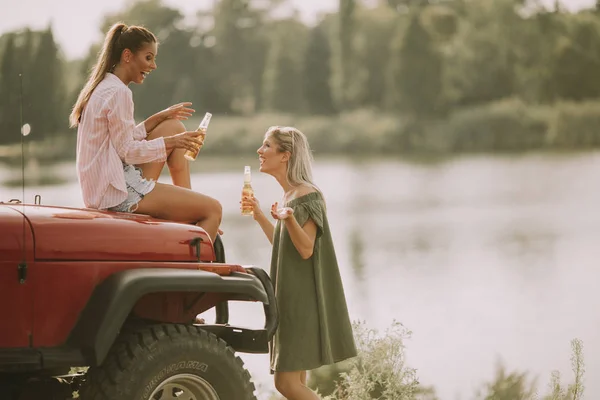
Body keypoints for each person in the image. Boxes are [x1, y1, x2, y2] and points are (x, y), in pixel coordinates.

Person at [69, 22, 222, 241]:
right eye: (148, 58)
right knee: (213, 209)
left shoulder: (104, 86)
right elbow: (128, 152)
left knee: (172, 125)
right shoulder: (119, 93)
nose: (153, 66)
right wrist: (173, 142)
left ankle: (189, 209)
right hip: (116, 192)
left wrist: (159, 118)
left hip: (102, 190)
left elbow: (121, 141)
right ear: (128, 56)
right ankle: (189, 267)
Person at [242, 126, 357, 400]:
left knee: (286, 384)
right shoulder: (289, 197)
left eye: (266, 146)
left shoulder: (307, 195)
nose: (260, 151)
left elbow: (306, 250)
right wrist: (260, 215)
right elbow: (286, 248)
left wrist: (289, 218)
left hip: (302, 301)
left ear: (285, 155)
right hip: (289, 296)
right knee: (296, 383)